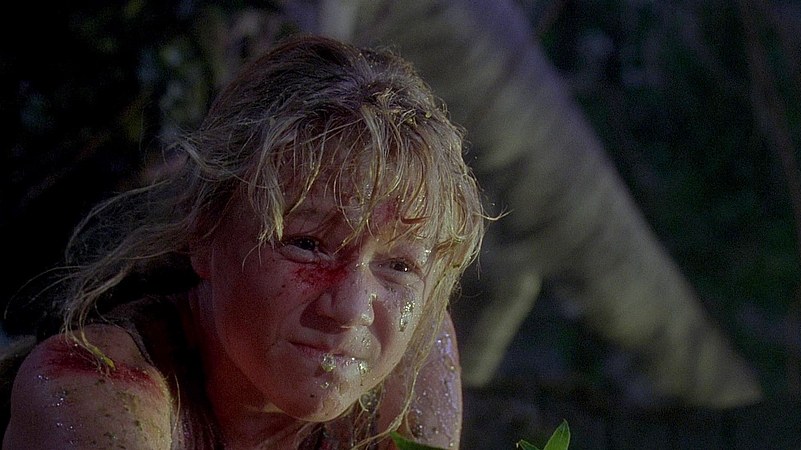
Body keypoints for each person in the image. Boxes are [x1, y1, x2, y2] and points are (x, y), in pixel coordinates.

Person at [1, 34, 484, 449]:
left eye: (399, 265)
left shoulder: (411, 341)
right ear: (205, 229)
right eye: (307, 244)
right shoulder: (92, 389)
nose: (353, 310)